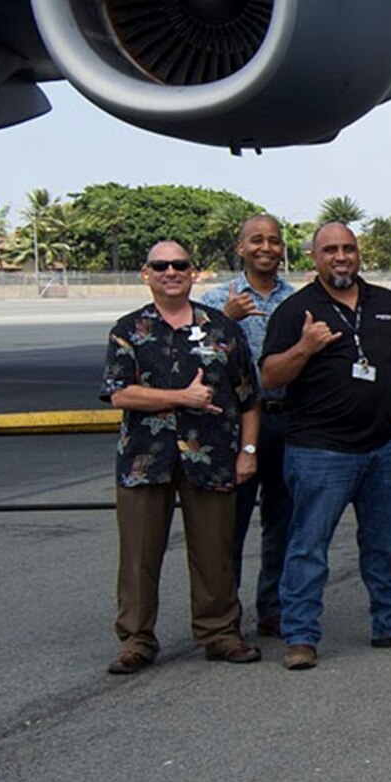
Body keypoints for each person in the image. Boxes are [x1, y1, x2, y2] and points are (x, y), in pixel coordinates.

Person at [260, 222, 391, 669]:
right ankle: (301, 635)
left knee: (385, 543)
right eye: (330, 250)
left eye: (348, 249)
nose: (340, 257)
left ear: (358, 254)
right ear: (314, 258)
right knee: (308, 546)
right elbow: (269, 377)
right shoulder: (296, 310)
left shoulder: (387, 304)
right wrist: (305, 347)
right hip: (320, 451)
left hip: (387, 449)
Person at [103, 241, 263, 673]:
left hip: (211, 456)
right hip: (145, 458)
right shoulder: (128, 329)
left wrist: (248, 452)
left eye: (180, 265)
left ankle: (220, 633)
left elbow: (249, 398)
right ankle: (136, 638)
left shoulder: (223, 329)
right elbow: (120, 392)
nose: (171, 271)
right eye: (161, 265)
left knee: (215, 550)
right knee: (138, 554)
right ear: (146, 273)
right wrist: (182, 397)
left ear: (194, 273)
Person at [201, 213, 296, 637]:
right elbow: (194, 360)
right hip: (234, 426)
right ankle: (225, 611)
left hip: (284, 419)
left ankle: (272, 607)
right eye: (256, 240)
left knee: (283, 521)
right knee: (230, 523)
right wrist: (226, 318)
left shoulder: (296, 300)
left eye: (274, 241)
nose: (266, 248)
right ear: (240, 248)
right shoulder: (215, 300)